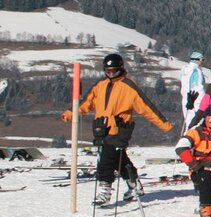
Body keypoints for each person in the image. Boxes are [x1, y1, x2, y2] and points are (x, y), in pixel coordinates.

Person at [66, 53, 176, 205]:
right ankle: (134, 183)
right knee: (119, 158)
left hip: (119, 129)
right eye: (108, 71)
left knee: (105, 159)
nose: (110, 73)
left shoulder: (129, 87)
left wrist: (164, 125)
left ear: (120, 69)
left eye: (114, 71)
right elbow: (86, 103)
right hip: (102, 128)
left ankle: (105, 190)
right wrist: (72, 113)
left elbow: (146, 108)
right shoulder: (100, 86)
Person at [178, 51, 206, 125]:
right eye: (202, 60)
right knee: (197, 124)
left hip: (185, 99)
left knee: (188, 122)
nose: (203, 62)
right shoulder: (196, 71)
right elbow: (199, 88)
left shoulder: (184, 69)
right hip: (195, 100)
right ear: (198, 60)